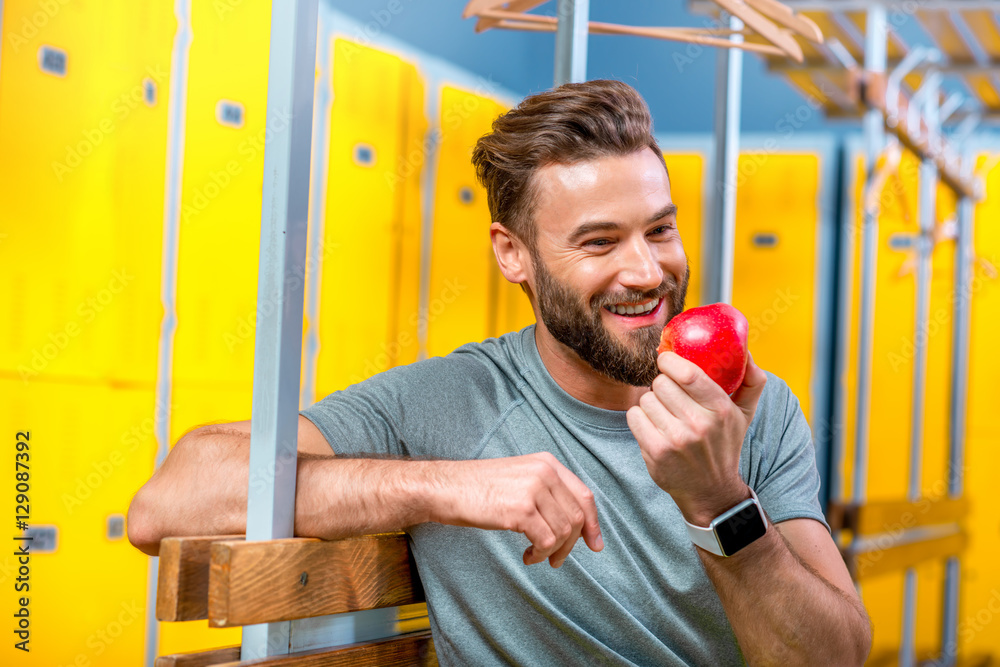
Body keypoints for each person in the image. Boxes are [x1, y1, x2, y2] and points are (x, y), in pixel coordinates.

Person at [128, 79, 872, 665]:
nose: (647, 270)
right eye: (600, 240)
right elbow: (165, 502)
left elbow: (834, 655)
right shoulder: (447, 403)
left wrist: (720, 502)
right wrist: (446, 484)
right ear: (512, 253)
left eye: (661, 228)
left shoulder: (753, 408)